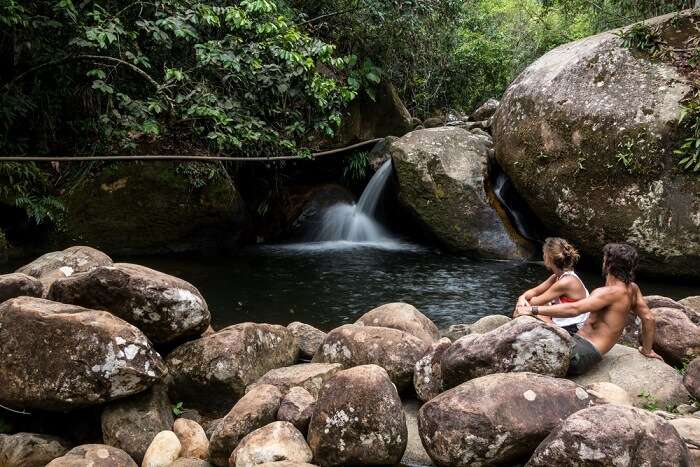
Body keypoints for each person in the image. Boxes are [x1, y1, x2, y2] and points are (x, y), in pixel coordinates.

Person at [515, 243, 661, 375]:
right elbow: (648, 318)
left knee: (520, 341)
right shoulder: (633, 289)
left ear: (608, 264)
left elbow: (575, 308)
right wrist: (646, 350)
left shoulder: (607, 293)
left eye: (604, 259)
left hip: (579, 356)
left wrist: (533, 310)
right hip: (586, 350)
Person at [514, 237, 589, 336]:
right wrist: (522, 297)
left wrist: (525, 303)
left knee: (522, 311)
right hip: (565, 323)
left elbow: (534, 302)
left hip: (573, 329)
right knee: (524, 309)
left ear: (548, 258)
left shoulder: (566, 281)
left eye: (544, 254)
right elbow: (533, 292)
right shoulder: (557, 277)